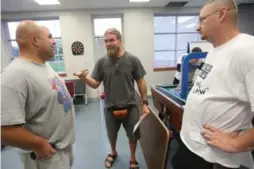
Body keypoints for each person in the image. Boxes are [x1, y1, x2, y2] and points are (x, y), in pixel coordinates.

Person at [171, 0, 254, 169]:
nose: (197, 26)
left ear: (222, 14)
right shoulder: (215, 51)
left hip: (217, 159)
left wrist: (237, 143)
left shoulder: (247, 50)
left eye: (202, 19)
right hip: (194, 147)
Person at [1, 20, 75, 169]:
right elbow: (4, 130)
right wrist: (39, 144)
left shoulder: (43, 65)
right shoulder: (14, 75)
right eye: (50, 37)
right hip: (46, 156)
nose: (54, 41)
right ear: (35, 40)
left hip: (61, 151)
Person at [74, 28, 150, 169]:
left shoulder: (132, 60)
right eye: (106, 41)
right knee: (111, 134)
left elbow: (141, 82)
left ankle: (133, 158)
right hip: (110, 107)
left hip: (131, 106)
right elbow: (95, 84)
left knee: (133, 135)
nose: (108, 44)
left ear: (120, 41)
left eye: (111, 40)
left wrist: (145, 103)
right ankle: (113, 152)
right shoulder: (101, 62)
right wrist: (85, 79)